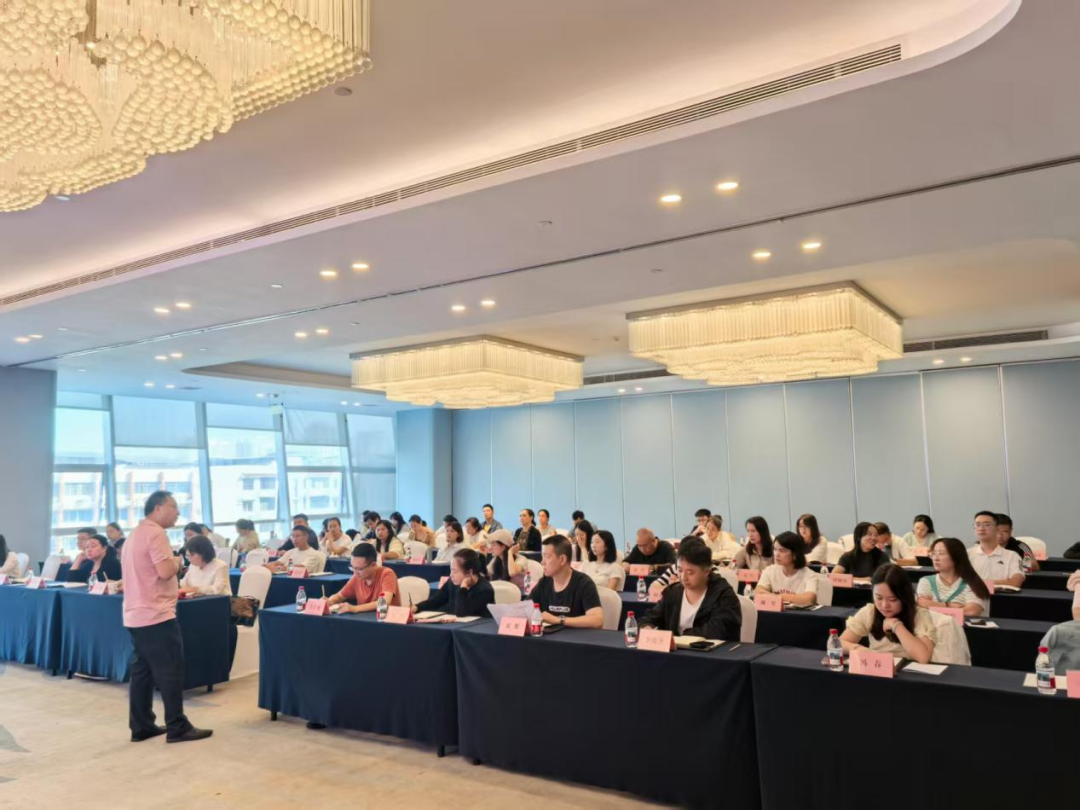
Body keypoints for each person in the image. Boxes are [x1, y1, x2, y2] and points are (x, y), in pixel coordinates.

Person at [122, 491, 211, 743]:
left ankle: (141, 725)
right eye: (174, 506)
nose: (178, 512)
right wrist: (177, 562)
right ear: (158, 508)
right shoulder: (156, 533)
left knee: (142, 672)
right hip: (156, 613)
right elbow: (164, 571)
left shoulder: (135, 534)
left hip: (136, 613)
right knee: (170, 670)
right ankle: (177, 726)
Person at [640, 539, 741, 640]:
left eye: (690, 572)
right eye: (680, 570)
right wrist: (647, 627)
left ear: (706, 571)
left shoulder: (723, 595)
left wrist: (680, 638)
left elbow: (719, 630)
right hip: (676, 648)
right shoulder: (672, 592)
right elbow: (651, 617)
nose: (683, 577)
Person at [841, 564, 936, 664]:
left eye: (892, 599)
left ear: (904, 597)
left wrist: (896, 626)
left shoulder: (919, 615)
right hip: (878, 668)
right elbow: (839, 643)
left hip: (907, 671)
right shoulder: (870, 612)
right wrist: (857, 648)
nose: (884, 605)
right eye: (879, 598)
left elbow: (923, 657)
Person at [527, 535, 603, 628]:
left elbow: (597, 620)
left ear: (562, 559)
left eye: (547, 557)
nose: (542, 562)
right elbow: (524, 609)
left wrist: (558, 620)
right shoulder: (544, 583)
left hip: (577, 636)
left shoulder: (584, 583)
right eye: (542, 557)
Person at [916, 537, 990, 617]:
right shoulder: (926, 581)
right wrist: (948, 605)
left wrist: (932, 607)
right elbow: (921, 603)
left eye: (941, 554)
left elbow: (971, 611)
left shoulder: (974, 583)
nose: (936, 558)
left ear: (955, 557)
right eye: (933, 553)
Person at [413, 549, 495, 618]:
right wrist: (416, 607)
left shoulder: (485, 590)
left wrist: (463, 587)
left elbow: (461, 612)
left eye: (454, 571)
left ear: (469, 572)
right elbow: (436, 600)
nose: (451, 575)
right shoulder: (452, 582)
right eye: (451, 571)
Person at [327, 543, 400, 613]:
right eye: (353, 568)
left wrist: (355, 608)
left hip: (387, 619)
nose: (355, 573)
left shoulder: (387, 574)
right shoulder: (357, 576)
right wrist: (329, 601)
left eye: (359, 569)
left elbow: (384, 602)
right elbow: (340, 596)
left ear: (373, 565)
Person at [755, 531, 820, 607]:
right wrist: (781, 598)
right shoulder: (770, 571)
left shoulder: (809, 575)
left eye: (782, 551)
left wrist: (776, 597)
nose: (777, 554)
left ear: (795, 554)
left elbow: (809, 599)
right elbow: (758, 592)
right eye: (775, 549)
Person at [968, 510, 1024, 587]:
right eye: (977, 525)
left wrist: (979, 584)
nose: (981, 528)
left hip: (1001, 595)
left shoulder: (1013, 556)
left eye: (987, 525)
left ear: (997, 529)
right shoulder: (965, 555)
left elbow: (1015, 582)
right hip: (970, 594)